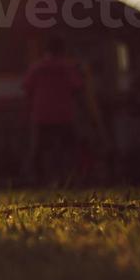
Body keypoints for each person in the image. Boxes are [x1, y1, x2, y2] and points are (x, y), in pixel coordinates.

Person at [22, 36, 88, 185]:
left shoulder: (37, 67)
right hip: (65, 114)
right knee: (70, 148)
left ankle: (40, 180)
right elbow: (78, 89)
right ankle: (71, 177)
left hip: (42, 115)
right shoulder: (68, 67)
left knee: (40, 149)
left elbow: (27, 90)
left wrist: (27, 113)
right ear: (62, 50)